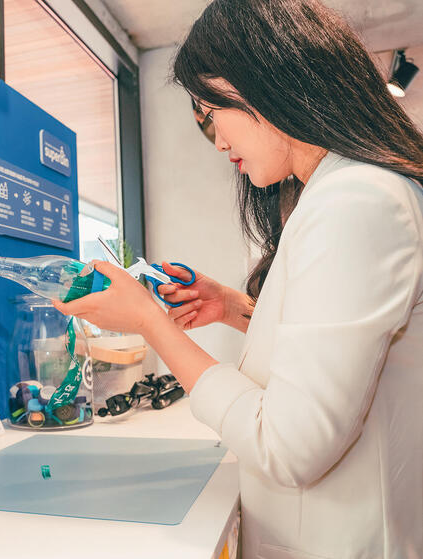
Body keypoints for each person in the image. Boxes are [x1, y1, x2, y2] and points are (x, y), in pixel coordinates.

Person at [53, 1, 423, 557]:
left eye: (211, 111)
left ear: (262, 83)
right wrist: (231, 306)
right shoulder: (342, 195)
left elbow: (290, 446)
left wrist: (151, 323)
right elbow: (339, 351)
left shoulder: (357, 201)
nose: (219, 142)